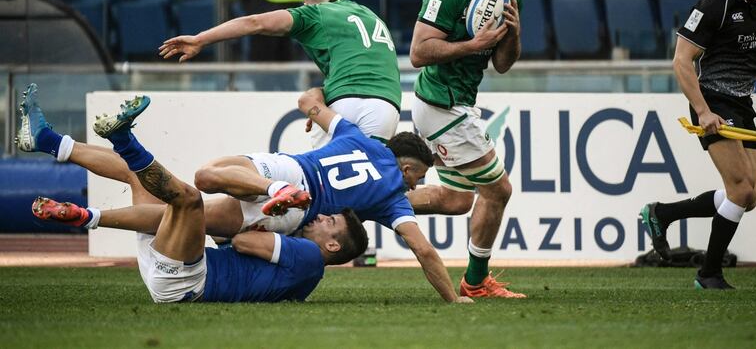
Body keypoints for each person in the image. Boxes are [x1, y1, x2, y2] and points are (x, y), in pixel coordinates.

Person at [15, 84, 472, 303]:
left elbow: (309, 100)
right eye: (417, 178)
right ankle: (63, 159)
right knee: (181, 198)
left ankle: (63, 154)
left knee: (200, 180)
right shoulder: (393, 195)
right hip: (290, 212)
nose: (415, 187)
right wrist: (453, 298)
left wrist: (319, 102)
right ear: (407, 167)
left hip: (287, 167)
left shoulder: (356, 135)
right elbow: (424, 250)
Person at [32, 96, 369, 304]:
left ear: (333, 246)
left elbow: (243, 242)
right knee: (139, 178)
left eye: (330, 222)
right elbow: (231, 247)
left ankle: (122, 144)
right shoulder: (307, 276)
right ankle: (50, 141)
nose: (320, 216)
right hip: (173, 273)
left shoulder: (309, 255)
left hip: (187, 281)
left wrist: (254, 225)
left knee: (189, 200)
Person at [639, 0, 756, 289]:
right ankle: (709, 273)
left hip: (742, 104)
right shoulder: (713, 5)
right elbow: (681, 61)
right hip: (712, 101)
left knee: (749, 197)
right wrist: (703, 111)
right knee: (739, 188)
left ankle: (663, 213)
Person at [405, 0, 524, 298]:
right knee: (498, 190)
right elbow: (418, 53)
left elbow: (502, 65)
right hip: (441, 104)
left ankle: (372, 204)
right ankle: (475, 282)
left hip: (458, 104)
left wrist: (513, 34)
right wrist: (471, 45)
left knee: (456, 201)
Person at [160, 0, 400, 149]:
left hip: (347, 103)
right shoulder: (370, 15)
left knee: (327, 187)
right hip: (387, 107)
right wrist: (322, 97)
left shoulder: (316, 13)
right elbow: (361, 69)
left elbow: (255, 23)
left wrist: (200, 39)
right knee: (371, 184)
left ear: (308, 3)